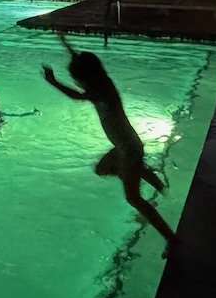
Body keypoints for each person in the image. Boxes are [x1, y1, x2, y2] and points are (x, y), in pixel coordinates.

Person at [41, 33, 179, 256]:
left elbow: (76, 96)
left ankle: (172, 239)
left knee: (133, 199)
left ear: (85, 78)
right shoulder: (101, 82)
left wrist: (53, 81)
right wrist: (64, 42)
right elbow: (81, 61)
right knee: (101, 168)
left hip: (129, 149)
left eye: (75, 77)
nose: (75, 80)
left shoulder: (99, 93)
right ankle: (146, 176)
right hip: (125, 146)